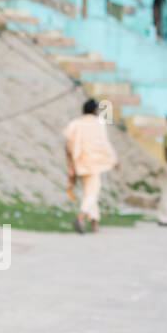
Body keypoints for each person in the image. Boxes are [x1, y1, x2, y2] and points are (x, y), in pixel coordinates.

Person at [64, 98, 120, 233]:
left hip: (79, 163)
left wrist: (70, 165)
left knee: (90, 192)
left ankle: (94, 223)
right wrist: (114, 160)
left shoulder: (75, 124)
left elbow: (68, 146)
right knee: (92, 193)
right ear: (95, 110)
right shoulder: (99, 124)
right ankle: (81, 217)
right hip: (94, 164)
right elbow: (104, 144)